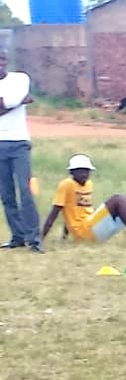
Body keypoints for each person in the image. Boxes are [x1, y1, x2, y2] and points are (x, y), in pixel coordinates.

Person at [40, 154, 126, 247]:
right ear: (71, 172)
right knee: (118, 199)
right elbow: (56, 212)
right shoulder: (66, 184)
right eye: (80, 171)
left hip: (92, 227)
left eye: (87, 171)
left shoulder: (88, 184)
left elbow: (74, 209)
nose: (84, 174)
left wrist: (64, 237)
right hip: (84, 232)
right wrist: (40, 238)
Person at [0, 50, 42, 252]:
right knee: (6, 194)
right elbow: (11, 101)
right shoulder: (17, 85)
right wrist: (19, 102)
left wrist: (9, 103)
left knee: (26, 191)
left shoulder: (20, 79)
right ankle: (18, 236)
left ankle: (34, 239)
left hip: (19, 143)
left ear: (5, 60)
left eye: (0, 60)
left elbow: (7, 102)